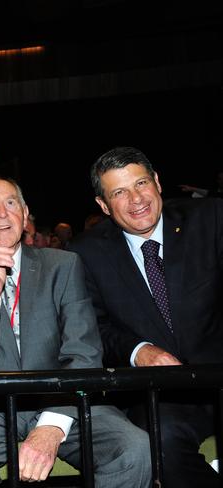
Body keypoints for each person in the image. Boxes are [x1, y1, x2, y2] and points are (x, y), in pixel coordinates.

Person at [0, 174, 151, 487]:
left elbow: (84, 351)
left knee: (133, 449)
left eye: (11, 203)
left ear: (24, 215)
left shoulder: (63, 266)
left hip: (62, 396)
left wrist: (52, 426)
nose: (1, 213)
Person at [69, 146, 223, 488]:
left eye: (141, 183)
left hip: (219, 372)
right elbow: (95, 328)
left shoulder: (210, 219)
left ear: (157, 182)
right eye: (119, 192)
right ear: (103, 205)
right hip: (158, 395)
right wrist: (139, 350)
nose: (136, 199)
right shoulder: (86, 253)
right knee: (159, 444)